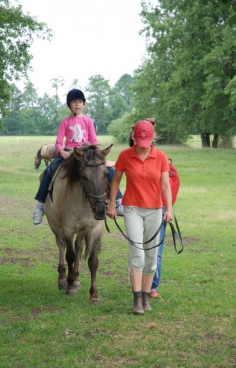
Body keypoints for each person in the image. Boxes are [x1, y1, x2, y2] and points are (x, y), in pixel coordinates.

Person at [107, 119, 172, 315]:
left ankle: (146, 295)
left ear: (152, 139)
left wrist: (169, 209)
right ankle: (136, 298)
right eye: (139, 142)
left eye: (146, 143)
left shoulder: (160, 157)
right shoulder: (125, 155)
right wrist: (111, 205)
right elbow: (116, 181)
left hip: (155, 209)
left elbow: (165, 186)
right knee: (137, 254)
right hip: (132, 208)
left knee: (151, 258)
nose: (142, 147)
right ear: (134, 138)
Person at [33, 89, 123, 225]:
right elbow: (58, 142)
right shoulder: (65, 122)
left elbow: (93, 141)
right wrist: (61, 151)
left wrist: (93, 152)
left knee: (108, 171)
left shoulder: (88, 121)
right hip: (69, 152)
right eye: (74, 102)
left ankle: (118, 201)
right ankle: (40, 207)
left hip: (87, 152)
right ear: (69, 105)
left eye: (80, 102)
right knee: (48, 171)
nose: (77, 105)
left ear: (84, 104)